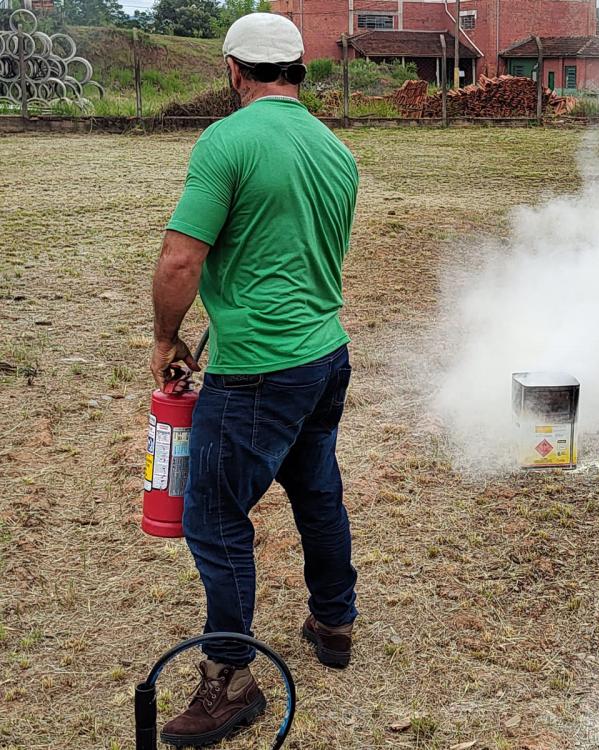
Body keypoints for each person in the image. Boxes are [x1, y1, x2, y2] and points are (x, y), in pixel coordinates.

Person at [148, 13, 360, 747]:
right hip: (324, 356)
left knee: (211, 516)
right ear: (298, 69)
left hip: (260, 371)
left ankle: (231, 680)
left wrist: (165, 336)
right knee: (316, 486)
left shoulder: (226, 140)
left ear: (235, 70)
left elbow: (182, 260)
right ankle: (334, 622)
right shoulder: (336, 151)